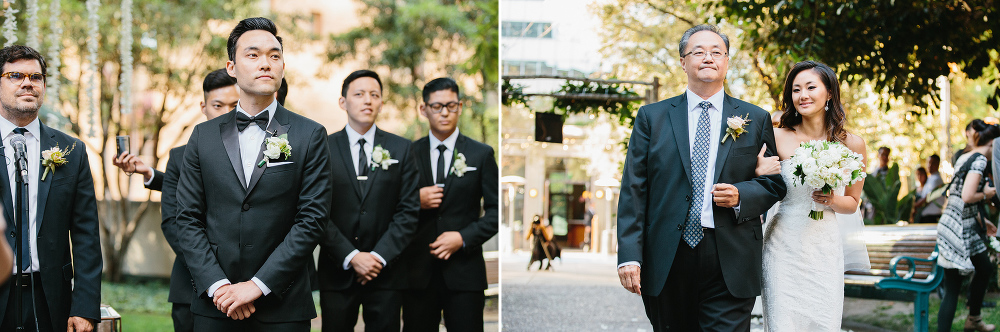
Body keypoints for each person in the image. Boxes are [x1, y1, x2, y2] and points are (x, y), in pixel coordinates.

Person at [615, 24, 786, 331]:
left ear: (727, 62)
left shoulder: (755, 117)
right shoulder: (651, 118)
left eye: (716, 52)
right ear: (683, 61)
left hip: (730, 256)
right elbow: (634, 190)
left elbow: (773, 183)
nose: (708, 57)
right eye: (698, 51)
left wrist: (741, 195)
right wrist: (629, 256)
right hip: (668, 255)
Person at [173, 17, 332, 331]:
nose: (266, 64)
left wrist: (257, 285)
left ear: (283, 66)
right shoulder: (202, 136)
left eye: (274, 56)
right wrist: (217, 285)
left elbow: (312, 218)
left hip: (282, 304)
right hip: (215, 306)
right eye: (253, 54)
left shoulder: (310, 134)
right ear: (232, 67)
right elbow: (187, 217)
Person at [112, 68, 239, 332]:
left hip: (249, 288)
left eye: (235, 105)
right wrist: (213, 276)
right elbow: (173, 223)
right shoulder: (181, 157)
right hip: (192, 286)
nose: (227, 113)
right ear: (204, 107)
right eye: (218, 105)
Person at [752, 60, 869, 330]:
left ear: (829, 93)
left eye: (810, 87)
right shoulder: (776, 136)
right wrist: (758, 171)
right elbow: (759, 185)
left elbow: (852, 203)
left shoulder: (852, 143)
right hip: (782, 246)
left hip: (823, 248)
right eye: (796, 89)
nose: (802, 95)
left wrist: (832, 200)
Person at [0, 45, 102, 332]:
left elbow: (86, 237)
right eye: (15, 75)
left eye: (36, 76)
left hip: (49, 300)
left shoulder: (71, 150)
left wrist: (84, 307)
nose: (28, 83)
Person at [317, 69, 419, 332]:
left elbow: (408, 211)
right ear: (343, 102)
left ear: (382, 103)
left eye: (374, 95)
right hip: (336, 270)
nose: (368, 100)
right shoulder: (322, 148)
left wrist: (378, 257)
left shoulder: (401, 148)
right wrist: (351, 256)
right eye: (359, 94)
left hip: (386, 272)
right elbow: (315, 210)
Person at [399, 77, 498, 331]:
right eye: (437, 106)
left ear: (461, 107)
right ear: (424, 109)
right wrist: (415, 200)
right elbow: (390, 207)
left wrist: (463, 237)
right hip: (418, 275)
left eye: (451, 106)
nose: (445, 112)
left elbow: (496, 213)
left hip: (465, 274)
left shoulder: (481, 154)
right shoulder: (407, 154)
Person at [937, 120, 998, 332]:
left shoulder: (965, 156)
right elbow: (968, 195)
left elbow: (957, 196)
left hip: (962, 224)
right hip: (957, 230)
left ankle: (974, 319)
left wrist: (984, 220)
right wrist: (988, 193)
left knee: (984, 267)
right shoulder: (980, 159)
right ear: (992, 144)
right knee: (952, 287)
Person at [914, 155, 945, 223]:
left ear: (938, 164)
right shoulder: (930, 178)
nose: (930, 165)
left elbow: (927, 198)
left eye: (933, 163)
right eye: (929, 163)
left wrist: (914, 206)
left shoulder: (936, 180)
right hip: (927, 217)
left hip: (932, 217)